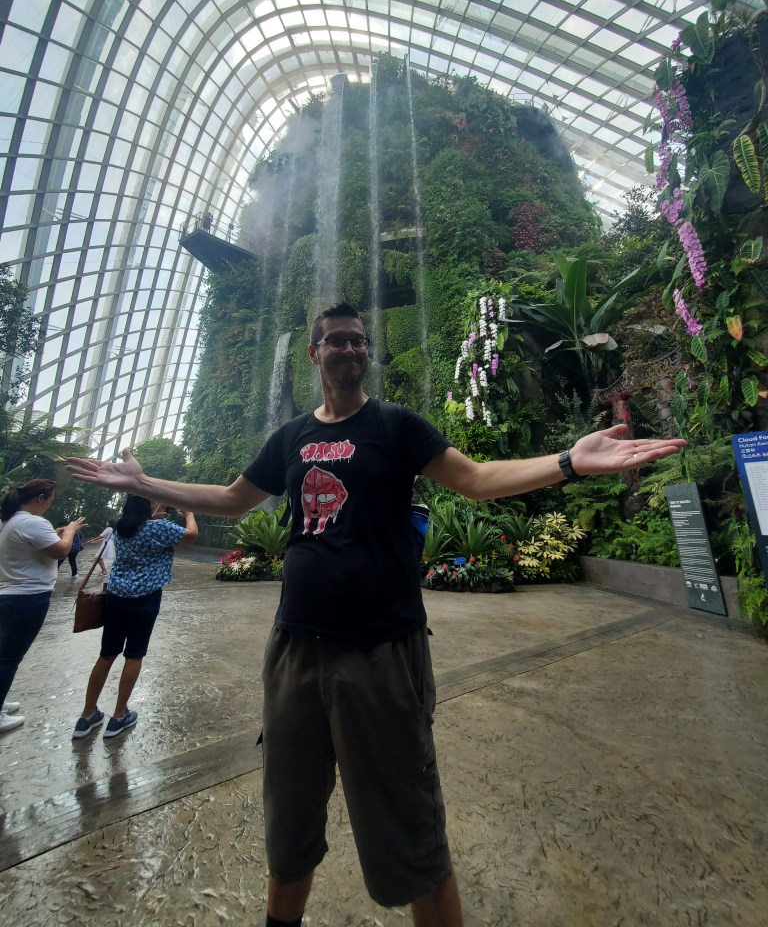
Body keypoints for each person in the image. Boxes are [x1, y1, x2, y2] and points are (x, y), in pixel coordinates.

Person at [67, 301, 687, 925]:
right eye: (336, 340)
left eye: (358, 340)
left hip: (382, 653)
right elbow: (231, 499)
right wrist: (142, 485)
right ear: (314, 353)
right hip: (294, 654)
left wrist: (568, 462)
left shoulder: (395, 425)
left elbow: (475, 479)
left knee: (410, 829)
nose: (349, 349)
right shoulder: (290, 438)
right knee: (289, 819)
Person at [71, 497, 198, 740]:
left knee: (107, 654)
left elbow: (142, 529)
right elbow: (191, 535)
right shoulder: (159, 528)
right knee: (134, 654)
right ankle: (119, 715)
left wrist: (153, 517)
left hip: (116, 596)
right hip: (145, 598)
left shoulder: (121, 527)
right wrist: (190, 513)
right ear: (147, 505)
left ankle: (87, 715)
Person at [0, 479, 87, 733]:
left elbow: (33, 547)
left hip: (9, 595)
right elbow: (61, 551)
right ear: (40, 497)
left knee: (5, 654)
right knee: (9, 658)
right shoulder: (33, 522)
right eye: (51, 497)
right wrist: (70, 531)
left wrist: (57, 533)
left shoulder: (10, 521)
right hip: (27, 597)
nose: (51, 502)